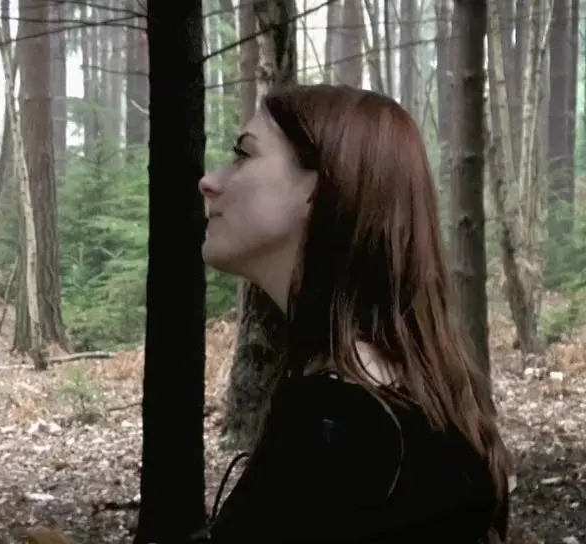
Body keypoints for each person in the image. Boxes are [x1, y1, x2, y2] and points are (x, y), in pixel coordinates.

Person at [193, 84, 511, 543]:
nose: (209, 182)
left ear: (322, 187)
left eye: (243, 154)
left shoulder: (332, 431)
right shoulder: (426, 410)